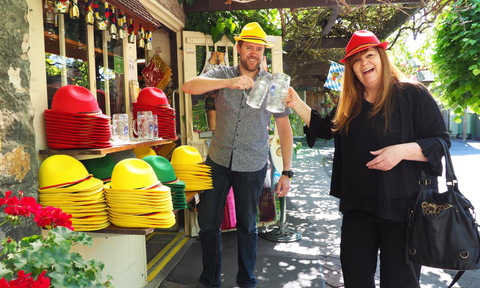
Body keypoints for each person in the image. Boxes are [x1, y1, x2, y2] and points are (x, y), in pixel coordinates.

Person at [285, 30, 450, 288]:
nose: (364, 63)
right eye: (356, 60)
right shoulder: (350, 104)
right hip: (358, 210)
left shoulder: (413, 94)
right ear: (351, 68)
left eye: (369, 55)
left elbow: (440, 142)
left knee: (400, 283)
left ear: (382, 58)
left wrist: (401, 152)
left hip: (403, 210)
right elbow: (324, 129)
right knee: (355, 281)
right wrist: (295, 102)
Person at [182, 22, 294, 288]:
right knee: (208, 223)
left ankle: (247, 281)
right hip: (218, 161)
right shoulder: (223, 72)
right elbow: (188, 86)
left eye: (259, 48)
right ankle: (209, 280)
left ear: (263, 52)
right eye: (249, 47)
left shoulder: (273, 85)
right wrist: (228, 82)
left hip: (252, 163)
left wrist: (287, 172)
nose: (253, 52)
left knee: (247, 226)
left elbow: (284, 129)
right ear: (239, 48)